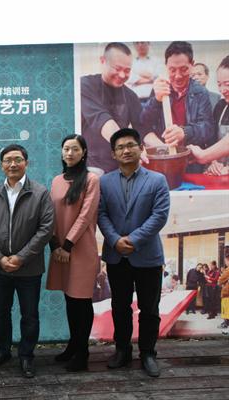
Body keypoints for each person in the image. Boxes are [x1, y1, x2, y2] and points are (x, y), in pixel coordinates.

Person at [98, 128, 170, 378]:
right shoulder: (104, 182)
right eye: (120, 147)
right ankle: (122, 350)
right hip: (116, 255)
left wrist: (134, 239)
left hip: (147, 256)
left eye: (131, 145)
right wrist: (115, 240)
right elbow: (101, 214)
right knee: (120, 306)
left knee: (149, 308)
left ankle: (148, 353)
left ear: (141, 148)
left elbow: (159, 216)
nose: (126, 150)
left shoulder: (157, 180)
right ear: (113, 154)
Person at [0, 144, 55, 379]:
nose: (12, 164)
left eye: (17, 159)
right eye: (7, 160)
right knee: (1, 312)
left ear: (26, 163)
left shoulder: (40, 193)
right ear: (2, 165)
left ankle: (26, 356)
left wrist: (21, 257)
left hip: (29, 268)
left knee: (29, 315)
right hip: (0, 267)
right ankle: (3, 351)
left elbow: (46, 229)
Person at [46, 134, 100, 372]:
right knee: (69, 298)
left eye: (75, 149)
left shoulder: (91, 179)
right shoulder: (57, 180)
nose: (70, 153)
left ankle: (82, 352)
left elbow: (86, 215)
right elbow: (50, 215)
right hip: (60, 249)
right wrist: (55, 245)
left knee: (81, 300)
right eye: (66, 148)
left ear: (84, 152)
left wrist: (67, 245)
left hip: (81, 249)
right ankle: (73, 345)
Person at [81, 42, 146, 174]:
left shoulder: (130, 95)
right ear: (103, 61)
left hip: (120, 166)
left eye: (127, 70)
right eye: (117, 68)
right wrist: (129, 147)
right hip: (91, 166)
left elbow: (143, 128)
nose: (122, 75)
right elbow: (103, 120)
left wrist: (162, 148)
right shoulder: (86, 85)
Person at [141, 41, 214, 152]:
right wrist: (156, 100)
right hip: (164, 153)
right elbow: (144, 122)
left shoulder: (200, 92)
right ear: (166, 66)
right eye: (172, 70)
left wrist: (185, 132)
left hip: (191, 154)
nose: (178, 76)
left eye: (184, 69)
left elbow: (208, 128)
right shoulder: (161, 88)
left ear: (192, 65)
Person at [188, 56, 229, 176]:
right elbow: (212, 140)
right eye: (219, 84)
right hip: (218, 171)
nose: (223, 90)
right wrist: (213, 161)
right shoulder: (220, 106)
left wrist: (204, 156)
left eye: (227, 84)